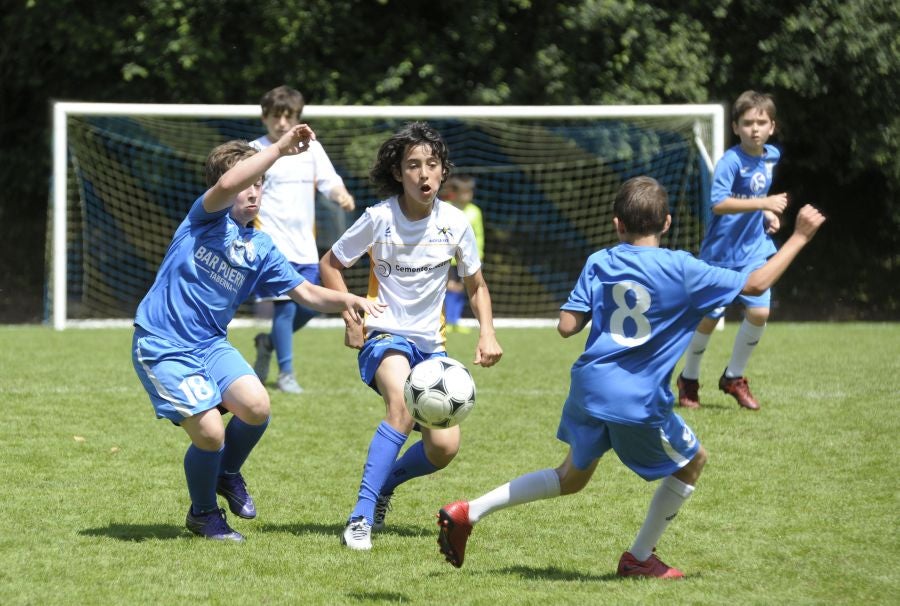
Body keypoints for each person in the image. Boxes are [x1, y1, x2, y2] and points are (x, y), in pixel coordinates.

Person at [436, 176, 825, 577]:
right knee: (692, 463)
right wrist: (799, 236)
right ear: (668, 223)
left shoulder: (600, 261)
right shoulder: (684, 269)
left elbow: (567, 326)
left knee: (569, 477)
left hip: (590, 387)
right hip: (635, 399)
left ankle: (469, 511)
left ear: (617, 223)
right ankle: (639, 558)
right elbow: (757, 283)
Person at [131, 125, 384, 542]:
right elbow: (230, 181)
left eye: (259, 184)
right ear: (225, 187)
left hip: (210, 345)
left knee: (256, 406)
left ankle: (227, 474)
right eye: (246, 183)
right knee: (211, 432)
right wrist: (281, 148)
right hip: (163, 343)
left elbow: (304, 292)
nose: (252, 191)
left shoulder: (261, 246)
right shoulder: (204, 219)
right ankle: (204, 515)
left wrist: (348, 301)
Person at [319, 121, 504, 551]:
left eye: (432, 165)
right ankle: (360, 519)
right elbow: (331, 264)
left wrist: (487, 333)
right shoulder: (378, 218)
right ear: (399, 173)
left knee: (444, 446)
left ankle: (386, 488)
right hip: (384, 336)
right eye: (413, 165)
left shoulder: (456, 224)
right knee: (400, 408)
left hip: (431, 347)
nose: (423, 173)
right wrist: (351, 316)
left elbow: (476, 285)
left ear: (442, 173)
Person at [676, 90, 788, 410]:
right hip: (720, 255)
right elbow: (720, 203)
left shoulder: (771, 156)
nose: (755, 128)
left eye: (761, 122)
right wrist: (764, 204)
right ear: (736, 128)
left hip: (754, 250)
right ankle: (689, 378)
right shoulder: (730, 161)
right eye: (747, 123)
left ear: (772, 126)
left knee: (759, 312)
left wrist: (765, 215)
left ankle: (733, 377)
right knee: (709, 319)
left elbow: (754, 194)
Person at [249, 85, 357, 395]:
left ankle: (268, 342)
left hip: (305, 247)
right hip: (269, 245)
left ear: (297, 118)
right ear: (264, 117)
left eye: (288, 117)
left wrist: (342, 195)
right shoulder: (255, 150)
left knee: (311, 307)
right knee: (285, 306)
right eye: (275, 117)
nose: (282, 123)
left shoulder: (312, 148)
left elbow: (330, 182)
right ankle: (286, 375)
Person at [442, 175, 485, 334]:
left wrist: (479, 254)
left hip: (467, 259)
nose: (467, 196)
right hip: (447, 259)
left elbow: (479, 235)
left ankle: (455, 320)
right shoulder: (445, 209)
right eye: (463, 192)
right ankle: (446, 320)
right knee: (447, 289)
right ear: (454, 193)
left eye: (469, 192)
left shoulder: (475, 212)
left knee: (461, 289)